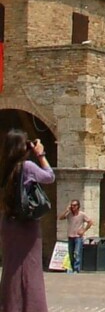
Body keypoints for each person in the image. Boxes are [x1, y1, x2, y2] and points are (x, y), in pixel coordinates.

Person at [0, 131, 55, 312]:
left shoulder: (4, 167)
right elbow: (49, 176)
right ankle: (32, 307)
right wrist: (40, 154)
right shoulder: (27, 166)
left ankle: (10, 306)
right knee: (31, 267)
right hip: (27, 225)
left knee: (11, 266)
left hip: (8, 223)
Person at [59, 199, 93, 273]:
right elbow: (60, 218)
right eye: (72, 205)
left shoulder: (82, 214)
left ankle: (76, 269)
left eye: (74, 205)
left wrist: (84, 230)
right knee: (71, 253)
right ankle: (72, 267)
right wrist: (66, 210)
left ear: (78, 206)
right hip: (70, 236)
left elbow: (90, 222)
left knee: (77, 253)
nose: (73, 207)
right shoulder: (69, 214)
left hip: (78, 237)